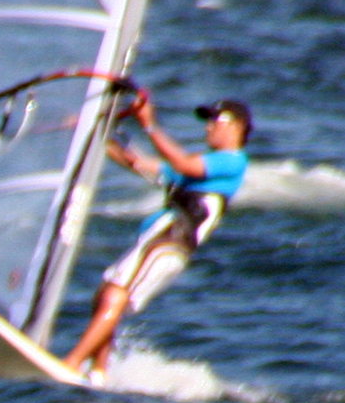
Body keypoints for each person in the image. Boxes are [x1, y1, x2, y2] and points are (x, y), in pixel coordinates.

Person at [62, 94, 251, 382]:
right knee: (105, 294)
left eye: (216, 120)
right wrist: (92, 133)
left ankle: (72, 363)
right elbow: (136, 162)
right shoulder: (203, 165)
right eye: (208, 121)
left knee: (115, 295)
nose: (208, 127)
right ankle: (98, 372)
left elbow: (184, 164)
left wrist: (149, 125)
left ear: (237, 126)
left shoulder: (232, 161)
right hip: (157, 239)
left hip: (171, 241)